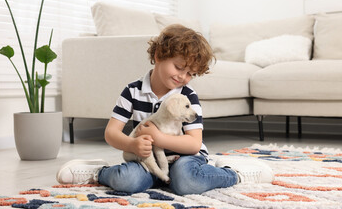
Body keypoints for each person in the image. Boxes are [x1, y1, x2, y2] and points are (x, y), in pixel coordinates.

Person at [56, 24, 274, 195]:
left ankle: (233, 174)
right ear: (159, 55)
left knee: (186, 181)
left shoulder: (187, 96)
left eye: (190, 73)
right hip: (148, 160)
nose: (183, 77)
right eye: (179, 67)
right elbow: (111, 133)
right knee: (128, 181)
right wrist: (132, 144)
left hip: (186, 158)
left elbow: (193, 143)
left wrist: (157, 138)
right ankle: (98, 173)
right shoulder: (132, 91)